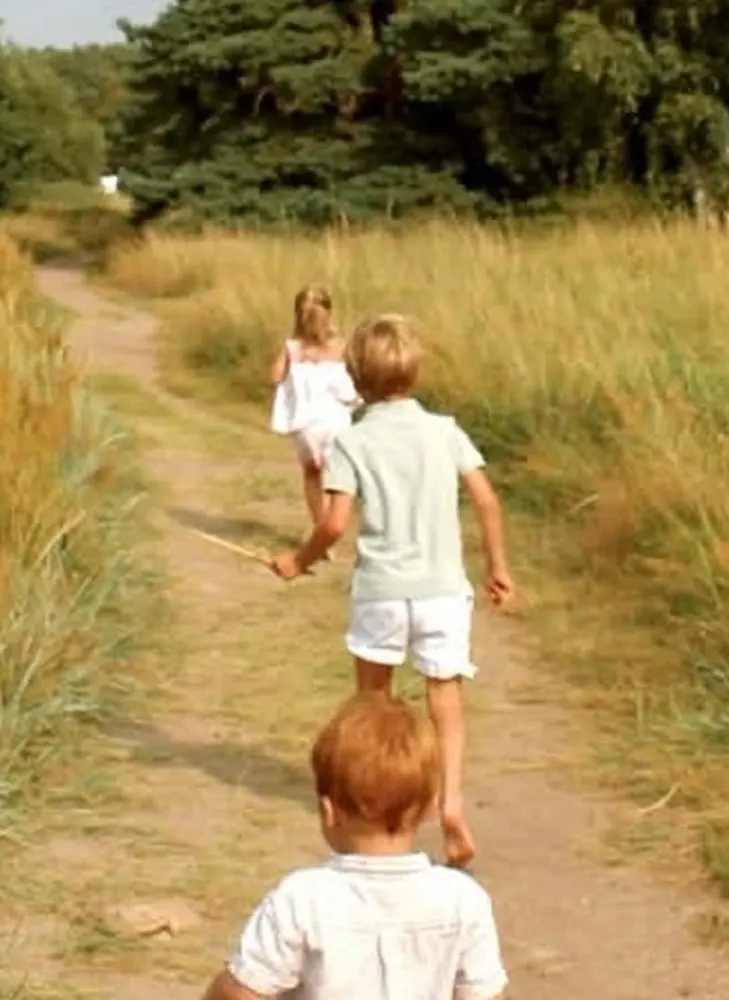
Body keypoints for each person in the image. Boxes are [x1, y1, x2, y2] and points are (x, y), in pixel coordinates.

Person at [269, 313, 515, 869]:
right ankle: (449, 803)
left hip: (382, 590)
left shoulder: (353, 441)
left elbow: (333, 525)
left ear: (355, 377)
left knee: (373, 705)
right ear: (416, 371)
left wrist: (297, 560)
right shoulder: (445, 431)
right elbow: (487, 500)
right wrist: (497, 565)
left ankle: (376, 802)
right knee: (445, 699)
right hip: (442, 590)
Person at [198, 692, 509, 1000]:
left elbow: (240, 992)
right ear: (430, 807)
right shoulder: (463, 900)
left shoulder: (301, 900)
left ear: (329, 812)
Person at [268, 285, 361, 559]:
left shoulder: (293, 349)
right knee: (336, 477)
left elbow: (273, 378)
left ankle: (322, 528)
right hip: (338, 421)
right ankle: (330, 529)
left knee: (313, 476)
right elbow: (356, 381)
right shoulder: (342, 346)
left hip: (307, 424)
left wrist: (293, 358)